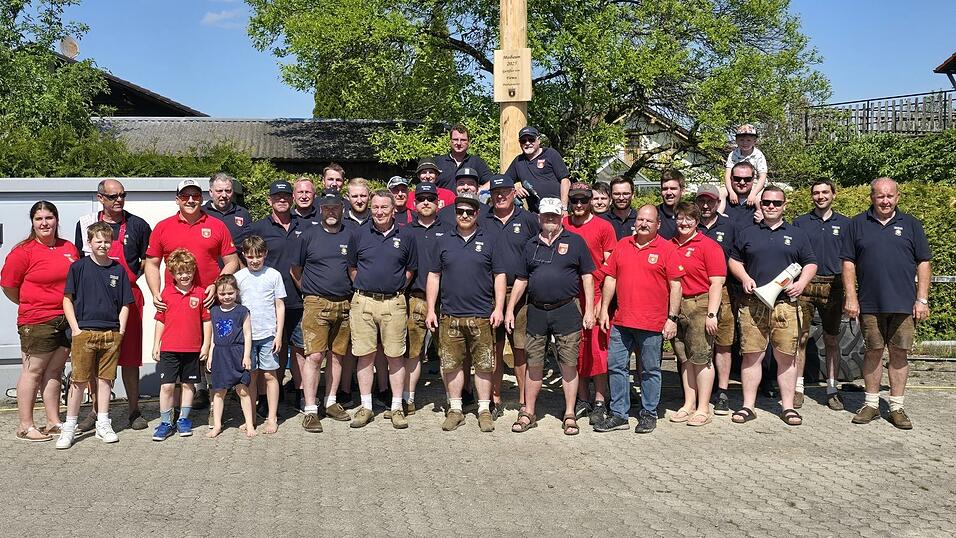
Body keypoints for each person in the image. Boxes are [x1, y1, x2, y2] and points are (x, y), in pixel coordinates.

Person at [843, 177, 931, 430]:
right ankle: (870, 404)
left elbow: (924, 262)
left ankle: (896, 406)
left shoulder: (912, 224)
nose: (885, 200)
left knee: (899, 353)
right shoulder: (857, 224)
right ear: (872, 197)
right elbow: (848, 263)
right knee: (872, 352)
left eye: (890, 196)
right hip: (869, 303)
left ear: (898, 197)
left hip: (904, 304)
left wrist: (922, 299)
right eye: (880, 196)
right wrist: (851, 297)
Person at [728, 186, 817, 426]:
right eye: (766, 202)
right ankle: (748, 406)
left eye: (776, 203)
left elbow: (810, 263)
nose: (770, 207)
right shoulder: (747, 232)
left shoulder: (797, 234)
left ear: (784, 206)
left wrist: (801, 284)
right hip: (753, 304)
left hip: (786, 305)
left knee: (786, 357)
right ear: (760, 204)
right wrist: (744, 277)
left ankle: (787, 407)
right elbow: (734, 260)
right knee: (751, 356)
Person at [507, 198, 596, 435]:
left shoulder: (575, 242)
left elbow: (588, 276)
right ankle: (528, 412)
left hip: (566, 310)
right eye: (546, 215)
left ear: (561, 217)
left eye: (554, 216)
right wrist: (509, 309)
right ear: (539, 217)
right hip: (536, 310)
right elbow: (521, 279)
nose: (550, 219)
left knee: (568, 363)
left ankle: (569, 414)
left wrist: (589, 310)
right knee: (533, 364)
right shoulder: (530, 244)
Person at [595, 205, 683, 434]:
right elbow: (611, 278)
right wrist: (604, 309)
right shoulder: (623, 245)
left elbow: (676, 285)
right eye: (641, 219)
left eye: (649, 221)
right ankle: (619, 414)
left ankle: (648, 414)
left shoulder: (667, 249)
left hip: (652, 323)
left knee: (650, 370)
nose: (643, 223)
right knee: (616, 367)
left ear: (658, 225)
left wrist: (672, 318)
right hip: (621, 321)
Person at [74, 178, 152, 431]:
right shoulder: (85, 224)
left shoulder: (139, 225)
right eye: (112, 196)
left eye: (122, 195)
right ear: (100, 198)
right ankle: (96, 412)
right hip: (95, 301)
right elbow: (79, 263)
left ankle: (134, 410)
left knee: (130, 360)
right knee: (96, 361)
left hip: (129, 298)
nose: (119, 200)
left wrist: (127, 277)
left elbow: (147, 261)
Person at [426, 192, 506, 432]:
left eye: (469, 212)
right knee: (451, 365)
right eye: (460, 211)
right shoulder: (443, 240)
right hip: (450, 314)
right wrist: (431, 309)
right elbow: (434, 276)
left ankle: (483, 409)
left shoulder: (490, 240)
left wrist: (499, 308)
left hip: (482, 315)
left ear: (477, 214)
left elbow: (499, 276)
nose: (464, 215)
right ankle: (456, 409)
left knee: (483, 365)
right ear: (455, 213)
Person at [1, 201, 77, 441]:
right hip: (37, 321)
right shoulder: (23, 251)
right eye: (39, 219)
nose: (44, 223)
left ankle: (54, 422)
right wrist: (31, 304)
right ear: (32, 222)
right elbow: (9, 286)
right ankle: (26, 425)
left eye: (49, 218)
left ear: (56, 220)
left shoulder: (69, 248)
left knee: (54, 371)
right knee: (32, 372)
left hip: (65, 319)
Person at [57, 221, 134, 449]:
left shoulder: (118, 270)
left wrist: (120, 330)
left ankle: (103, 423)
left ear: (112, 243)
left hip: (110, 333)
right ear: (88, 243)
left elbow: (125, 304)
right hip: (84, 333)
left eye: (106, 241)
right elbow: (67, 299)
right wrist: (76, 330)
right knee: (79, 382)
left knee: (105, 381)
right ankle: (70, 427)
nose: (102, 245)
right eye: (98, 241)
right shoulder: (78, 268)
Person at [347, 190, 418, 428]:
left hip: (394, 303)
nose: (379, 212)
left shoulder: (406, 236)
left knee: (395, 356)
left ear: (393, 209)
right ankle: (366, 406)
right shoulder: (358, 234)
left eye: (384, 208)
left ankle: (397, 407)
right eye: (375, 207)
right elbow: (353, 268)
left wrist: (393, 287)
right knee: (365, 356)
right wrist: (368, 287)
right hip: (363, 302)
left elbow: (410, 270)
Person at [291, 190, 355, 432]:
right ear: (320, 210)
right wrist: (309, 292)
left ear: (342, 209)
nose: (331, 212)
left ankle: (330, 401)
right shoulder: (308, 235)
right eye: (326, 208)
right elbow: (295, 270)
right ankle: (310, 409)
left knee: (337, 355)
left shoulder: (351, 234)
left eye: (335, 207)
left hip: (344, 304)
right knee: (315, 356)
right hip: (316, 303)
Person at [478, 175, 539, 417]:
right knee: (493, 347)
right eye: (496, 192)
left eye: (505, 191)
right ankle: (495, 399)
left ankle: (525, 400)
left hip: (521, 293)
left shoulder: (527, 220)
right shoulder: (481, 219)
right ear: (490, 195)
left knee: (520, 348)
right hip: (489, 294)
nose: (500, 196)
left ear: (514, 194)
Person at [792, 179, 851, 410]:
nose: (820, 196)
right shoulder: (800, 223)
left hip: (834, 285)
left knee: (831, 339)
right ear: (812, 196)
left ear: (833, 194)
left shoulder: (847, 224)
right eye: (816, 193)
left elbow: (851, 260)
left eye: (825, 192)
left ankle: (832, 388)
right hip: (805, 285)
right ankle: (797, 388)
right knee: (801, 338)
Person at [562, 183, 616, 423]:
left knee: (598, 352)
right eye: (575, 201)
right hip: (570, 298)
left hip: (594, 295)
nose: (580, 205)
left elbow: (610, 268)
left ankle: (600, 401)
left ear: (591, 201)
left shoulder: (604, 227)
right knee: (576, 352)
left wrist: (601, 303)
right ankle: (582, 398)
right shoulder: (563, 225)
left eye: (584, 200)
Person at [669, 202, 726, 427]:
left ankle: (703, 407)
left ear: (697, 221)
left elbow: (717, 282)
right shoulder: (670, 245)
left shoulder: (709, 246)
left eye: (689, 219)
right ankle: (689, 403)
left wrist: (712, 313)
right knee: (684, 358)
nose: (684, 223)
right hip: (677, 305)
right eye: (680, 218)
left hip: (701, 304)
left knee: (701, 358)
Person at [249, 180, 303, 414]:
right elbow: (242, 252)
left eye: (285, 196)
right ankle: (268, 397)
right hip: (269, 303)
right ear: (269, 200)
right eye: (277, 196)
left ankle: (301, 395)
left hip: (299, 299)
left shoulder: (305, 225)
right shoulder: (259, 227)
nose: (282, 199)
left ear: (291, 199)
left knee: (301, 350)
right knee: (272, 351)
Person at [145, 179, 240, 307]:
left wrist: (216, 285)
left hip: (210, 300)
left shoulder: (218, 225)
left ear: (201, 199)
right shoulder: (163, 227)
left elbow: (232, 261)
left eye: (195, 196)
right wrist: (155, 293)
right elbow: (152, 264)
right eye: (185, 196)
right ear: (177, 200)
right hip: (175, 301)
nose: (190, 200)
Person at [151, 248, 212, 441]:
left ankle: (184, 420)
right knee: (167, 387)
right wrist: (156, 344)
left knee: (188, 386)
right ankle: (165, 422)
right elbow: (160, 320)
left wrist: (206, 345)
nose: (184, 275)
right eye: (179, 272)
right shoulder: (166, 294)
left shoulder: (201, 294)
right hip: (169, 348)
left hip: (192, 349)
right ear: (173, 274)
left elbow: (207, 321)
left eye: (188, 271)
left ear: (193, 271)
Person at [402, 183, 447, 416]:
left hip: (445, 302)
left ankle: (454, 401)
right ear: (414, 203)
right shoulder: (406, 232)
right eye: (421, 199)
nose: (426, 202)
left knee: (448, 352)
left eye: (430, 198)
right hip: (415, 299)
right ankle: (408, 399)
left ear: (438, 203)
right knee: (412, 352)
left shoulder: (450, 229)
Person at [235, 236, 286, 434]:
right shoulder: (239, 277)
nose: (254, 260)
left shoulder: (273, 275)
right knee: (251, 378)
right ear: (244, 256)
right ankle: (251, 417)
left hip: (268, 334)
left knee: (270, 376)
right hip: (247, 337)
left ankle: (272, 418)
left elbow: (279, 305)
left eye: (258, 256)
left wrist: (279, 334)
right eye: (250, 256)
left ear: (265, 254)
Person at [695, 184, 737, 415]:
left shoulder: (730, 226)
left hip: (724, 292)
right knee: (698, 342)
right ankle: (698, 390)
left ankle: (722, 391)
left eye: (710, 201)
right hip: (696, 293)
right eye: (701, 200)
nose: (705, 205)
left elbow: (739, 256)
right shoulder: (691, 225)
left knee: (723, 343)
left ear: (718, 202)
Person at [206, 274, 255, 439]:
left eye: (230, 293)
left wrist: (246, 356)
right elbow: (213, 336)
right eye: (222, 294)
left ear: (236, 292)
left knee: (242, 390)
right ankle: (217, 425)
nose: (226, 297)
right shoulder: (214, 311)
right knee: (219, 392)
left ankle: (249, 424)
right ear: (217, 295)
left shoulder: (242, 311)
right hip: (220, 354)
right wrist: (211, 356)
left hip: (237, 354)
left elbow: (248, 335)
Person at [504, 126, 572, 212]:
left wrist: (564, 208)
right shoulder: (518, 161)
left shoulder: (551, 154)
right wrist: (514, 190)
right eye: (523, 141)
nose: (527, 143)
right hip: (535, 214)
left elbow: (565, 180)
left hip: (556, 210)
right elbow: (504, 182)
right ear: (520, 143)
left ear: (538, 140)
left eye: (531, 139)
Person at [203, 173, 252, 255]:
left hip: (238, 266)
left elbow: (250, 244)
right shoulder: (201, 213)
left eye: (228, 191)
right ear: (211, 192)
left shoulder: (243, 213)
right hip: (211, 266)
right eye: (219, 191)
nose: (224, 195)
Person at [433, 124, 493, 191]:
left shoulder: (476, 162)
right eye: (455, 139)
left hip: (468, 201)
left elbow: (492, 182)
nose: (459, 143)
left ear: (469, 142)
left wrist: (478, 191)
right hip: (443, 201)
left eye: (463, 140)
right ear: (450, 141)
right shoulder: (437, 162)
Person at [723, 124, 768, 208]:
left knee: (759, 198)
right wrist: (731, 192)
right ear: (736, 141)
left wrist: (753, 194)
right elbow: (727, 175)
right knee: (721, 193)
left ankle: (760, 216)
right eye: (742, 140)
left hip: (755, 185)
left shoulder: (759, 155)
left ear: (754, 141)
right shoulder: (733, 154)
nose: (745, 143)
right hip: (737, 183)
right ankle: (719, 215)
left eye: (748, 140)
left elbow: (762, 176)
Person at [723, 162, 761, 227]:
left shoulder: (763, 202)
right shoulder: (720, 201)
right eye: (737, 178)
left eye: (747, 179)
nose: (742, 182)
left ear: (753, 179)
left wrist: (765, 221)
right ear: (731, 178)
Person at [601, 176, 638, 240]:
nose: (621, 198)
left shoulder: (640, 220)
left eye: (625, 194)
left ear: (632, 195)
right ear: (611, 196)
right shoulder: (602, 220)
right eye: (617, 194)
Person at [656, 170, 685, 240]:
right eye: (665, 189)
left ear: (682, 191)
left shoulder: (690, 214)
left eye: (673, 189)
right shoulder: (654, 214)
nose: (668, 193)